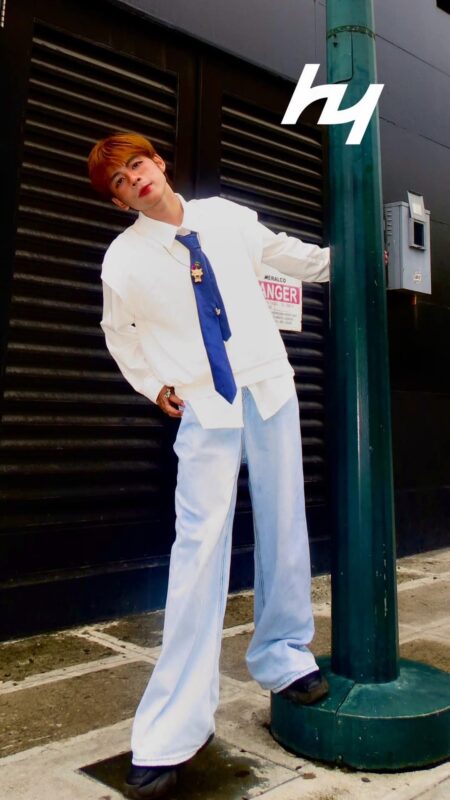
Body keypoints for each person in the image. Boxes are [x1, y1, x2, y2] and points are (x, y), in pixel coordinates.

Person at [87, 131, 330, 800]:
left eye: (137, 164)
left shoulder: (225, 216)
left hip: (269, 386)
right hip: (205, 402)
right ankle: (170, 731)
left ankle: (284, 657)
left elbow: (287, 254)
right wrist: (153, 384)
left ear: (158, 163)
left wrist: (358, 258)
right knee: (198, 551)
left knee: (285, 525)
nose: (135, 179)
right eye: (119, 181)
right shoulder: (123, 260)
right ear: (118, 201)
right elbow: (119, 333)